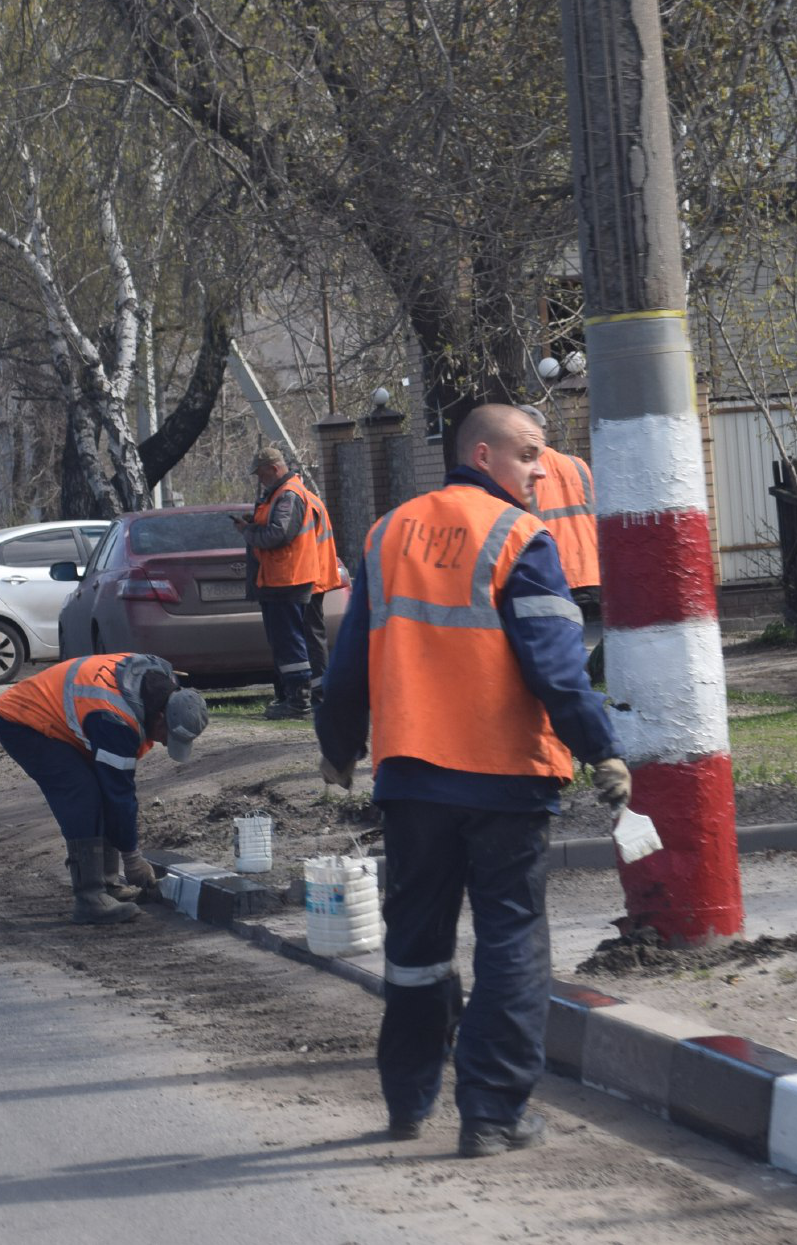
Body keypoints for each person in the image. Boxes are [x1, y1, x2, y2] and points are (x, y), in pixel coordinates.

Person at [314, 403, 629, 1158]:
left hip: (413, 779)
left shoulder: (388, 535)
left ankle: (407, 1099)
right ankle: (491, 1114)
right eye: (528, 454)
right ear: (482, 455)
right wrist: (602, 749)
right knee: (512, 943)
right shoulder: (521, 537)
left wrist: (339, 748)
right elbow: (555, 664)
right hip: (504, 780)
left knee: (417, 945)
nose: (540, 469)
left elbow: (348, 658)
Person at [0, 652, 210, 924]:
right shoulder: (116, 719)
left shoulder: (163, 685)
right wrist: (132, 857)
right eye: (169, 736)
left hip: (68, 715)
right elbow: (118, 793)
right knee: (82, 794)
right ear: (160, 717)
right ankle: (90, 898)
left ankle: (108, 887)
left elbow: (116, 793)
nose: (166, 745)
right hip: (23, 720)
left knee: (100, 789)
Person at [234, 445, 339, 720]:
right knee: (305, 640)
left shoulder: (288, 496)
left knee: (292, 641)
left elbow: (277, 535)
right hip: (300, 576)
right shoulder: (293, 494)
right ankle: (313, 697)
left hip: (289, 578)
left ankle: (300, 700)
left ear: (274, 468)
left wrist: (249, 531)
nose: (259, 479)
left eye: (261, 473)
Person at [520, 405, 603, 672]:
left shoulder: (525, 472)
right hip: (588, 569)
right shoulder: (577, 465)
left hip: (553, 573)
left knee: (561, 647)